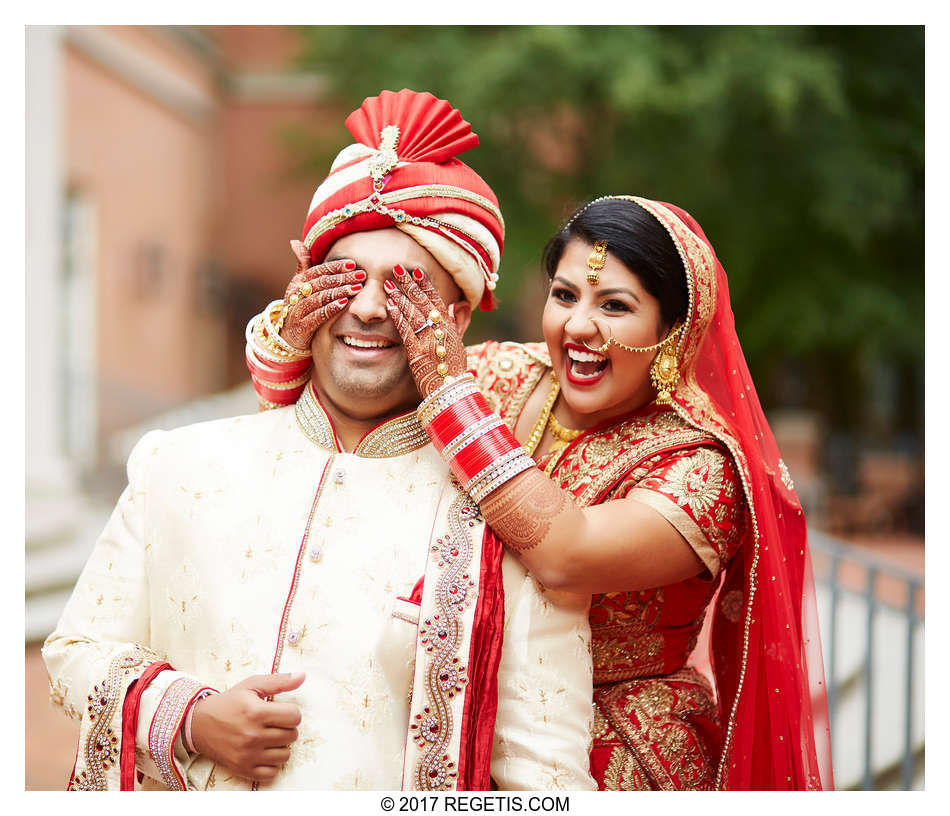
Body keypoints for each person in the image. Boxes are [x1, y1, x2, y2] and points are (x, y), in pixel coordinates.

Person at [42, 89, 597, 792]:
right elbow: (75, 654)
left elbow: (548, 784)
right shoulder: (177, 464)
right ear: (303, 286)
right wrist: (191, 718)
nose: (366, 308)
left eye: (403, 289)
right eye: (344, 279)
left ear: (454, 318)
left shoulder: (501, 523)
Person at [260, 194, 833, 790]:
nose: (578, 326)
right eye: (564, 295)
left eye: (614, 305)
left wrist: (452, 399)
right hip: (452, 716)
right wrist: (296, 340)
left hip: (609, 748)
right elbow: (348, 437)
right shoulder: (501, 373)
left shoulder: (699, 466)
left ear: (671, 330)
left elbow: (567, 555)